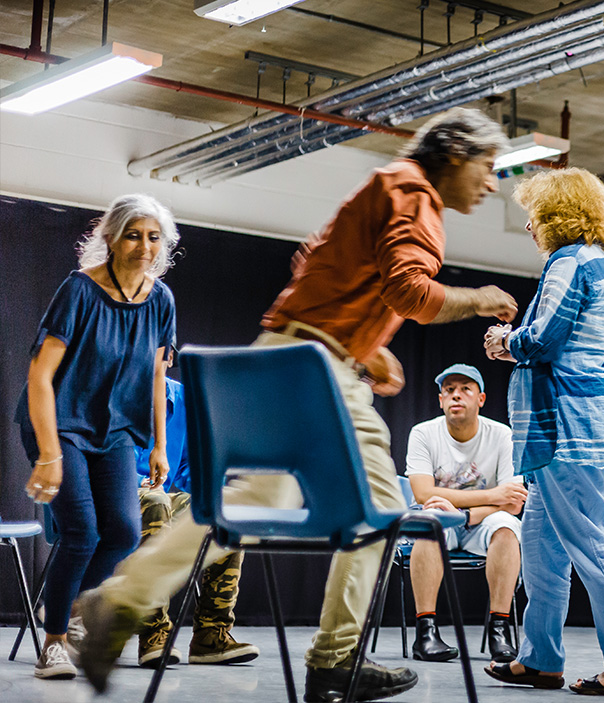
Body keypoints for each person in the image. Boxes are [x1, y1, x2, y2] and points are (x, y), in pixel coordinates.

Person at [74, 107, 519, 703]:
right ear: (457, 155)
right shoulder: (416, 193)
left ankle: (117, 602)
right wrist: (480, 298)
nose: (492, 183)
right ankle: (334, 662)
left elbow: (314, 263)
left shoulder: (382, 184)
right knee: (380, 509)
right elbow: (411, 291)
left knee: (252, 501)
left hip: (279, 354)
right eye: (489, 168)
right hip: (316, 369)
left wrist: (364, 342)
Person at [481, 167, 604, 697]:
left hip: (567, 428)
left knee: (586, 541)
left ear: (557, 215)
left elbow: (543, 339)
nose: (530, 227)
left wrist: (502, 339)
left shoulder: (569, 260)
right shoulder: (602, 266)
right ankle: (539, 660)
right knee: (540, 545)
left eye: (535, 216)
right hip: (586, 424)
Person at [16, 193, 179, 680]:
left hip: (115, 431)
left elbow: (155, 375)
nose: (144, 247)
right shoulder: (79, 290)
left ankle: (71, 609)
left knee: (126, 532)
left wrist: (159, 444)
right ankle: (55, 642)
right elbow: (40, 376)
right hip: (59, 423)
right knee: (82, 533)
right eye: (133, 235)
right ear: (110, 237)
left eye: (154, 237)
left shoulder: (161, 300)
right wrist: (48, 453)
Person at [131, 360, 259, 668]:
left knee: (224, 509)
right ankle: (154, 635)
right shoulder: (113, 394)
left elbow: (190, 467)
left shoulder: (187, 399)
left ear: (170, 359)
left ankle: (211, 637)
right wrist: (141, 482)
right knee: (155, 502)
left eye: (157, 352)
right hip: (121, 496)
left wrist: (212, 487)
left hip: (171, 497)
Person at [404, 363, 526, 663]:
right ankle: (426, 633)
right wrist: (492, 495)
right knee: (428, 522)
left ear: (480, 399)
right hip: (442, 518)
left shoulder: (502, 435)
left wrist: (465, 512)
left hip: (482, 520)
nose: (456, 396)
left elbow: (513, 503)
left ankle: (499, 630)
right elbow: (422, 493)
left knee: (507, 528)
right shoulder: (423, 433)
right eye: (449, 391)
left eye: (465, 390)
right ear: (441, 399)